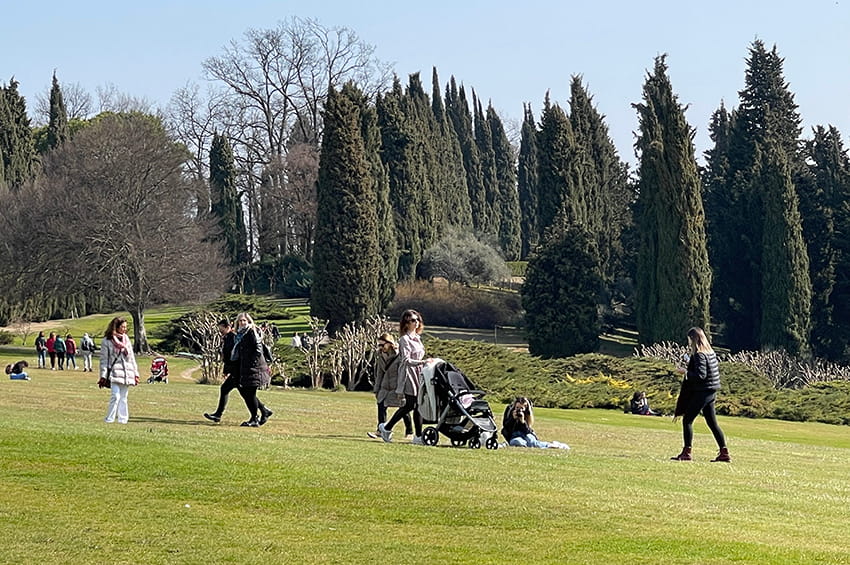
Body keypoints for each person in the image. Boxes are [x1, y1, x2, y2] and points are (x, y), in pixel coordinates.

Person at [671, 327, 731, 462]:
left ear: (693, 339)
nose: (688, 343)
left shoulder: (699, 354)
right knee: (712, 423)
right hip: (711, 391)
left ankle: (687, 452)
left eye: (689, 340)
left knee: (687, 420)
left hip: (703, 392)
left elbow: (701, 375)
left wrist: (685, 372)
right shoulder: (710, 352)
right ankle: (724, 452)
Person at [204, 318, 273, 425]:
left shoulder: (233, 338)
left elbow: (235, 356)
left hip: (238, 371)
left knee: (240, 393)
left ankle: (257, 415)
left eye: (221, 329)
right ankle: (263, 411)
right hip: (236, 371)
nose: (220, 331)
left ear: (228, 327)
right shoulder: (228, 337)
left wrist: (234, 371)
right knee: (244, 394)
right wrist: (226, 370)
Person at [379, 309, 429, 444]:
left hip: (418, 373)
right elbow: (406, 360)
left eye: (417, 320)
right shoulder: (404, 340)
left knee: (418, 404)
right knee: (411, 404)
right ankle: (387, 427)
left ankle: (417, 436)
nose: (416, 322)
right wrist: (422, 362)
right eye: (413, 320)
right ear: (406, 323)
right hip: (408, 374)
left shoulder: (418, 339)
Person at [231, 312, 273, 427]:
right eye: (240, 321)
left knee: (249, 394)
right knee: (247, 393)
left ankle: (255, 419)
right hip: (246, 366)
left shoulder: (251, 332)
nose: (242, 323)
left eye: (244, 320)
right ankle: (263, 411)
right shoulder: (239, 334)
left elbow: (258, 349)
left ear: (249, 321)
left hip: (255, 367)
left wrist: (252, 363)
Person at [367, 333, 412, 440]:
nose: (380, 347)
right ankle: (380, 430)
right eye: (379, 345)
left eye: (382, 345)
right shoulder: (380, 355)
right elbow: (379, 373)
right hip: (385, 387)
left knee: (403, 409)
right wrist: (377, 389)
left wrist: (401, 389)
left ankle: (409, 431)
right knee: (381, 405)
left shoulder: (399, 355)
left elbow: (403, 372)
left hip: (397, 386)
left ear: (389, 343)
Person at [101, 316, 140, 424]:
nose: (124, 329)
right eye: (122, 327)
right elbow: (104, 360)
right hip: (114, 372)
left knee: (124, 397)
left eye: (125, 327)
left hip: (127, 372)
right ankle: (109, 418)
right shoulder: (107, 341)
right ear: (116, 327)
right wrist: (103, 376)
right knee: (115, 396)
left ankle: (123, 419)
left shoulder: (126, 339)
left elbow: (131, 358)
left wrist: (136, 373)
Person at [501, 397, 570, 449]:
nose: (519, 410)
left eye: (522, 408)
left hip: (526, 433)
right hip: (514, 436)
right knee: (518, 442)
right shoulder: (510, 411)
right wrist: (512, 419)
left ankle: (552, 445)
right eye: (517, 407)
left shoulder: (527, 414)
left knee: (532, 442)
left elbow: (528, 430)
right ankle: (532, 446)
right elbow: (506, 427)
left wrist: (522, 421)